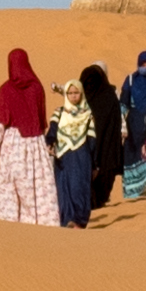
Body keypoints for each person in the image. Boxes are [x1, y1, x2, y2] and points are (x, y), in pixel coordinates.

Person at [0, 47, 56, 223]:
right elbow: (42, 122)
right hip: (36, 146)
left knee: (9, 192)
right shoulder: (37, 88)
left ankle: (13, 235)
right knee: (38, 194)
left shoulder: (5, 90)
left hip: (12, 147)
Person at [49, 79, 97, 227]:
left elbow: (92, 139)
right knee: (63, 189)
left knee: (79, 188)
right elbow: (52, 130)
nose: (73, 96)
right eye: (70, 93)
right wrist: (49, 143)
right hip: (63, 155)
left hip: (82, 156)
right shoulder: (59, 112)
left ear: (81, 94)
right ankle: (66, 221)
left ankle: (78, 221)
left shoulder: (88, 114)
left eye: (76, 93)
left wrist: (95, 163)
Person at [78, 63, 125, 207]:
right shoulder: (79, 99)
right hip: (90, 148)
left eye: (93, 81)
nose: (90, 85)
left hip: (106, 148)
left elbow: (115, 122)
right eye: (87, 82)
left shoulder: (109, 96)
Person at [120, 53, 146, 201]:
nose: (145, 68)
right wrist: (122, 123)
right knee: (132, 155)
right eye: (142, 65)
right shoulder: (131, 80)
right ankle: (134, 192)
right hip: (134, 126)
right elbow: (123, 102)